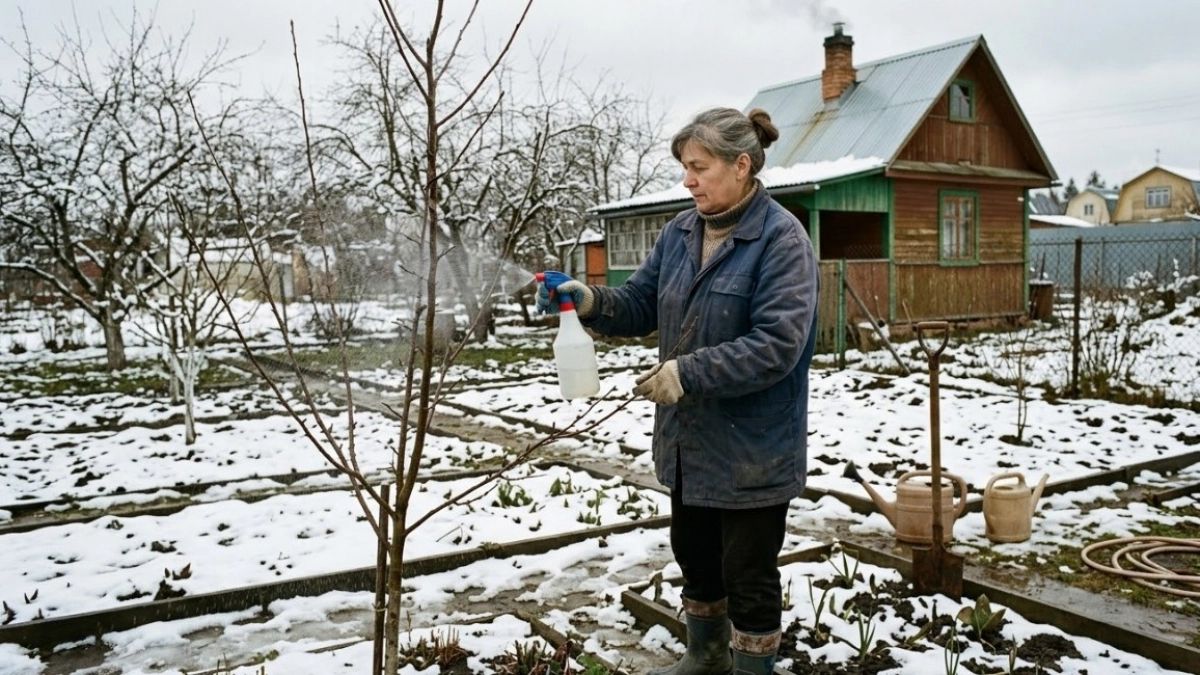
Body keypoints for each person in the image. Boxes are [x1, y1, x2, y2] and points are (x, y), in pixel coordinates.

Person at [537, 107, 818, 675]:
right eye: (685, 168)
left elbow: (777, 345)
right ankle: (706, 654)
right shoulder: (680, 232)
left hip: (753, 450)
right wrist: (588, 300)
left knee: (749, 573)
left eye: (699, 167)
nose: (687, 180)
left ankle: (751, 668)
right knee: (696, 557)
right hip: (690, 443)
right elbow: (641, 302)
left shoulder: (782, 240)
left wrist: (687, 373)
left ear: (741, 165)